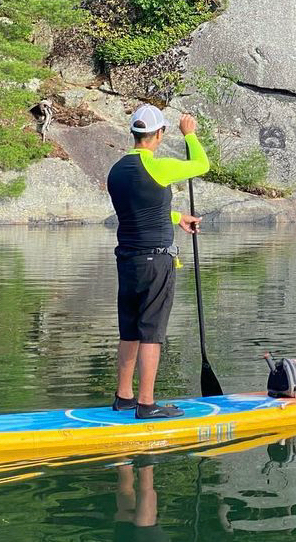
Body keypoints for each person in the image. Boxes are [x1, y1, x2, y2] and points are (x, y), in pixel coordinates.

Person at [106, 104, 209, 419]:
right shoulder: (159, 167)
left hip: (128, 259)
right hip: (156, 262)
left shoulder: (117, 170)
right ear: (159, 134)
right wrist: (190, 135)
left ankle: (124, 397)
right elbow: (201, 164)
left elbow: (142, 210)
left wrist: (177, 217)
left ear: (134, 134)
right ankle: (146, 403)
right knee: (151, 332)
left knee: (130, 330)